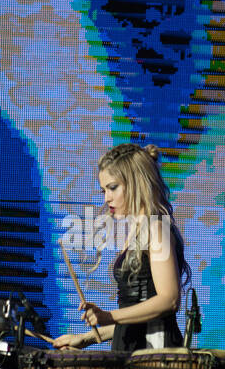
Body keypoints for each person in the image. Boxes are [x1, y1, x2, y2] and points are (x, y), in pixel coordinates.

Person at [52, 143, 191, 353]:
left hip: (155, 354)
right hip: (133, 350)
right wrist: (86, 338)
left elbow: (169, 299)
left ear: (135, 183)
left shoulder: (156, 229)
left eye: (113, 187)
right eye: (103, 190)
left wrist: (108, 316)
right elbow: (133, 317)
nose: (107, 197)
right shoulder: (137, 232)